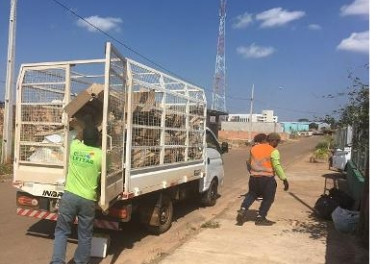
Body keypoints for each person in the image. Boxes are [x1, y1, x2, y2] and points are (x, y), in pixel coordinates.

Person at [51, 126, 102, 264]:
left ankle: (57, 262)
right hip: (87, 200)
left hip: (69, 196)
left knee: (62, 231)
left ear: (84, 138)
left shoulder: (75, 146)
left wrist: (86, 124)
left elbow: (78, 136)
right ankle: (80, 262)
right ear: (98, 140)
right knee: (85, 235)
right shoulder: (100, 155)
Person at [237, 132, 289, 226]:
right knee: (268, 198)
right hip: (267, 179)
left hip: (253, 178)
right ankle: (261, 218)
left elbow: (248, 162)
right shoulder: (273, 151)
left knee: (252, 195)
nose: (277, 144)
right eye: (277, 142)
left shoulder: (254, 148)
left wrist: (252, 172)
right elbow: (276, 166)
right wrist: (284, 179)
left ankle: (243, 209)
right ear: (272, 141)